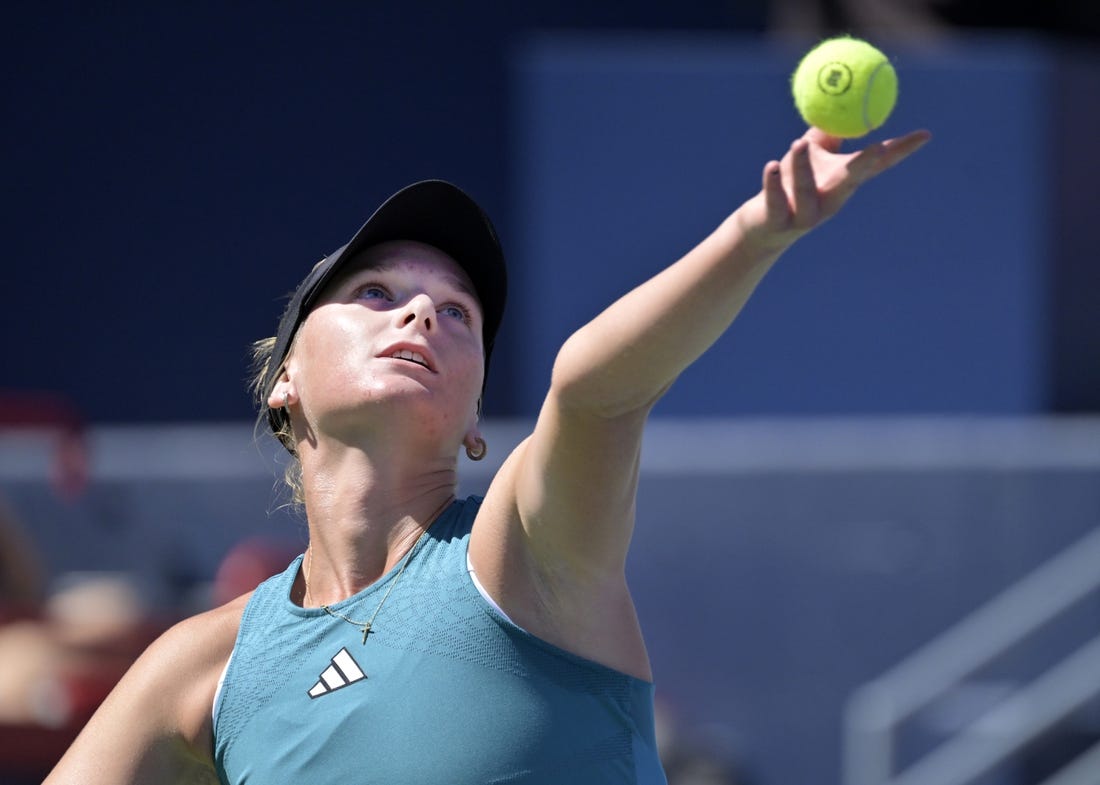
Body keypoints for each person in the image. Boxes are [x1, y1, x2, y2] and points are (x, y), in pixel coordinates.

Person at [43, 126, 930, 784]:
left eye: (456, 312)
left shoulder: (520, 556)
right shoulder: (207, 664)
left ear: (475, 420)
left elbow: (596, 392)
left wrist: (755, 233)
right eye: (376, 292)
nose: (421, 313)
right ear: (284, 382)